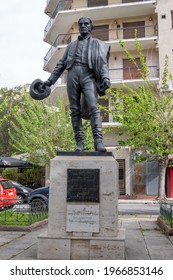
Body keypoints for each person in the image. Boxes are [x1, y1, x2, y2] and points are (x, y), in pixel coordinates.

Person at [43, 17, 111, 152]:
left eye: (86, 23)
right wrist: (50, 81)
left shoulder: (98, 44)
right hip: (72, 74)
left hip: (88, 75)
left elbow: (103, 63)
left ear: (91, 26)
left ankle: (98, 142)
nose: (83, 26)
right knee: (74, 110)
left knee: (93, 107)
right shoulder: (71, 46)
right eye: (81, 24)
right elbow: (61, 65)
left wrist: (105, 78)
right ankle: (79, 143)